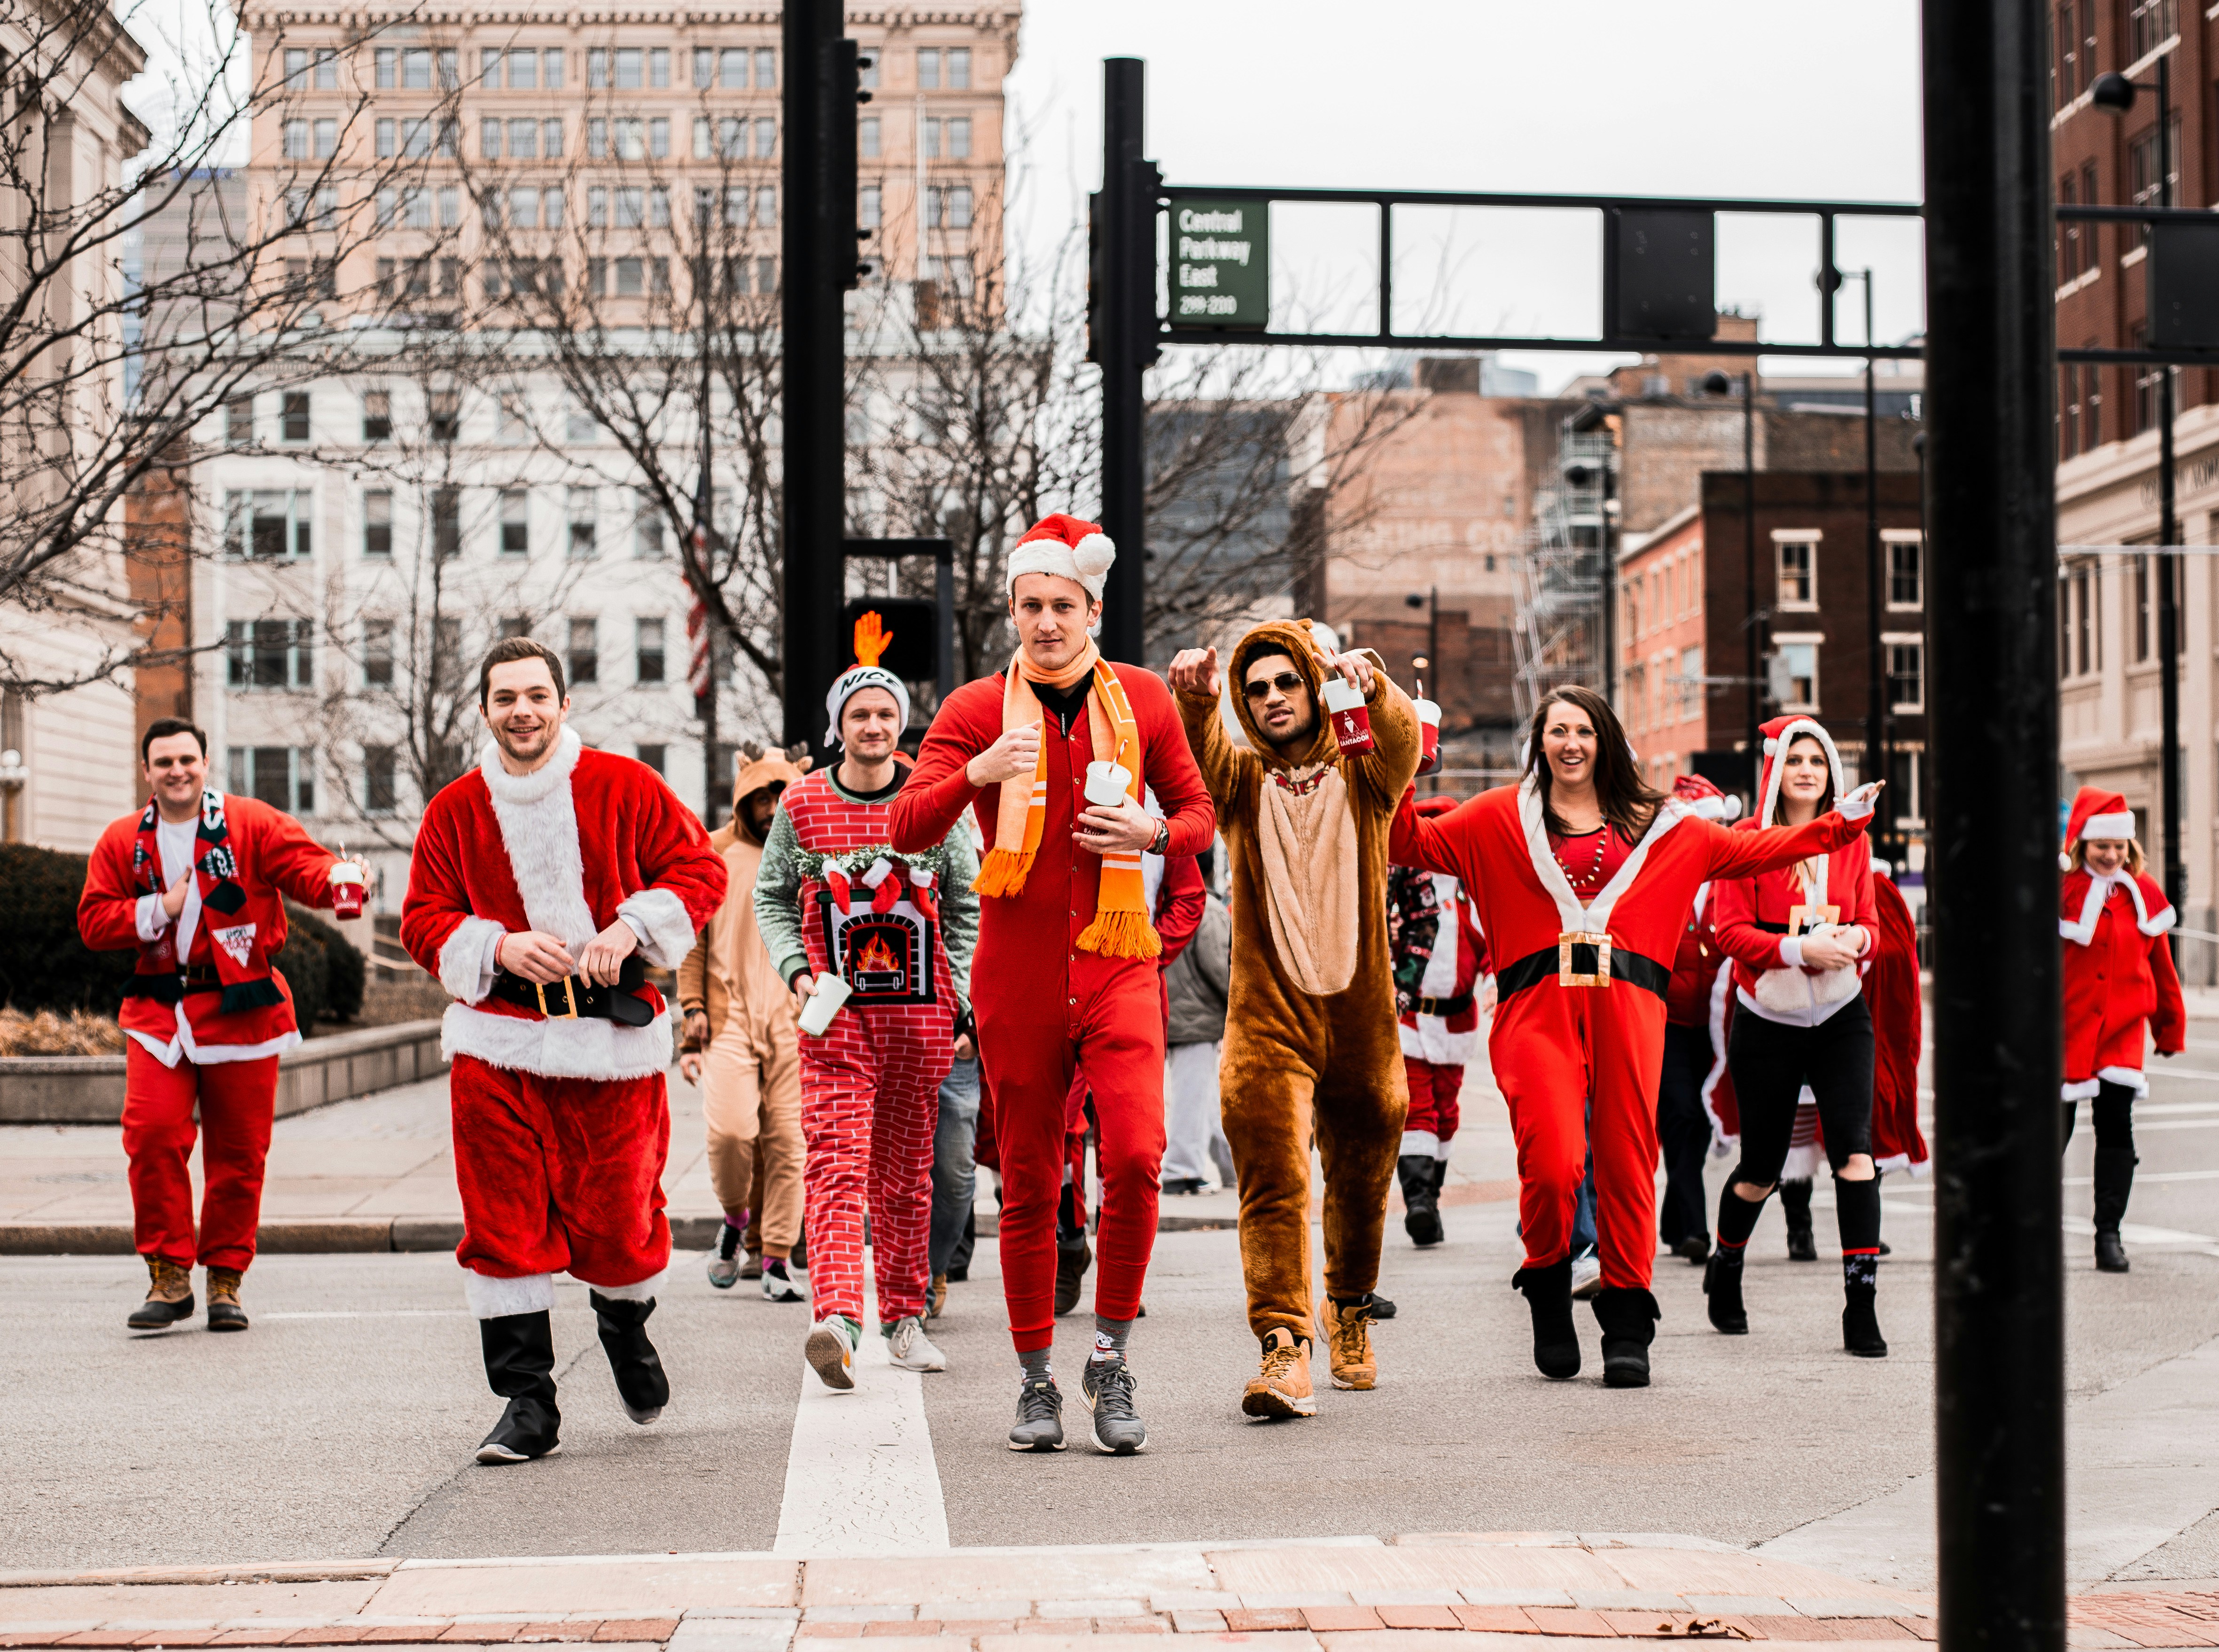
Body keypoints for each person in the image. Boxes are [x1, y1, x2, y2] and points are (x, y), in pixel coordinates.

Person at [1391, 686, 1880, 1387]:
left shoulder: (1661, 825)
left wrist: (1835, 828)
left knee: (1625, 1161)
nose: (1569, 743)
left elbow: (1749, 849)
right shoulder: (1497, 817)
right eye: (1556, 731)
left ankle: (1626, 1317)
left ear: (1605, 743)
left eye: (1583, 732)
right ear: (1539, 743)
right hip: (1537, 1010)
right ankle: (1547, 1288)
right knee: (1554, 1161)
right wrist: (1406, 758)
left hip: (1629, 1009)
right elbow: (1401, 839)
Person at [890, 512, 1214, 1456]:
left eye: (1061, 606)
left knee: (1141, 1158)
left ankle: (1108, 1360)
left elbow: (1197, 813)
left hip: (1119, 963)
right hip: (1017, 973)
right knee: (1029, 1184)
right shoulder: (971, 711)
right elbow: (906, 825)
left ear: (1092, 610)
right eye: (1029, 606)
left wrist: (1154, 836)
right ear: (1013, 611)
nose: (1044, 623)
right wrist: (974, 775)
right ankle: (1035, 1382)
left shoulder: (1145, 701)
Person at [400, 638, 727, 1464]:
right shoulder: (454, 811)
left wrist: (630, 924)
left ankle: (626, 1330)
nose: (523, 711)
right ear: (483, 710)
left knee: (619, 1225)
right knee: (502, 1225)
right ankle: (527, 1403)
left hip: (609, 1049)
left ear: (563, 704)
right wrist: (496, 947)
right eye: (506, 697)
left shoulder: (625, 785)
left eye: (537, 695)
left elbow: (699, 872)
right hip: (496, 1047)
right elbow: (421, 918)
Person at [1168, 621, 1420, 1416]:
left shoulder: (1366, 776)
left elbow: (1403, 742)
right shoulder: (1242, 783)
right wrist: (1196, 700)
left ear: (1312, 687)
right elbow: (1202, 754)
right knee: (1272, 1176)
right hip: (1266, 1019)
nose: (1272, 698)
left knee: (1362, 1166)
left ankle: (1348, 1305)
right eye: (1256, 690)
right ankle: (1284, 1346)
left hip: (1359, 1019)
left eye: (1285, 682)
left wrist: (1373, 688)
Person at [76, 717, 359, 1333]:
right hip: (158, 1009)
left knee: (238, 1154)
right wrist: (162, 908)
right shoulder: (124, 838)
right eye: (163, 762)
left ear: (205, 764)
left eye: (187, 759)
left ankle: (225, 1279)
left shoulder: (251, 822)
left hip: (242, 1006)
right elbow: (95, 921)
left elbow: (306, 869)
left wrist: (340, 876)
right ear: (146, 771)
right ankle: (168, 1274)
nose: (176, 771)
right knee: (151, 1136)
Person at [754, 652, 979, 1387]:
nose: (874, 726)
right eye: (860, 715)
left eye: (886, 713)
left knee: (908, 1178)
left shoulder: (938, 802)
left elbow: (967, 910)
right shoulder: (800, 806)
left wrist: (962, 1000)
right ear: (838, 727)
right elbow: (771, 898)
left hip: (919, 1023)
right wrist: (795, 970)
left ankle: (905, 1319)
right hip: (835, 1023)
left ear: (901, 723)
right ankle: (838, 1320)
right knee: (834, 1165)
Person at [1706, 717, 1887, 1356]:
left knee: (1854, 1157)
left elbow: (1870, 921)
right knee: (1760, 1169)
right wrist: (1794, 947)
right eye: (1794, 759)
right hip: (1768, 1018)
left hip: (1841, 1012)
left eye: (1817, 759)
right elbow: (1726, 934)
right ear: (1773, 769)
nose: (1806, 770)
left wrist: (1857, 940)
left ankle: (1859, 1306)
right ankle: (1724, 1269)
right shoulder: (1743, 841)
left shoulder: (1852, 841)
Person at [678, 742, 810, 1301]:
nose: (774, 807)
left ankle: (777, 1258)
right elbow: (691, 941)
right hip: (728, 1019)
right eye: (762, 796)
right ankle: (735, 1223)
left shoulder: (812, 855)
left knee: (788, 1143)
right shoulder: (712, 853)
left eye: (784, 794)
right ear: (745, 799)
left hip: (797, 1023)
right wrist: (692, 1011)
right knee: (732, 1132)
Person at [2059, 786, 2184, 1273]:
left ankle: (2108, 1234)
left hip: (2121, 1032)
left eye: (2118, 847)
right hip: (2064, 1032)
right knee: (2053, 1132)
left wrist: (2169, 1027)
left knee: (2115, 1131)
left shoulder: (2144, 894)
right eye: (2100, 847)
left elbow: (2162, 967)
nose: (2110, 856)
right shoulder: (2060, 893)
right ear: (2082, 846)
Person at [1388, 794, 1489, 1248]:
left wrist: (1494, 984)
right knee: (1417, 1108)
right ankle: (1419, 1204)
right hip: (1408, 1018)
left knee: (1446, 1113)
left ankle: (1432, 1195)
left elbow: (1494, 947)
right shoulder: (1405, 891)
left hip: (1456, 1019)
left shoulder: (1475, 892)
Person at [1656, 773, 1741, 1265]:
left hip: (1715, 1025)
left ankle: (1675, 1220)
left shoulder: (1727, 884)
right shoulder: (1660, 877)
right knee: (1681, 1115)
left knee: (1701, 1123)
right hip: (1665, 1020)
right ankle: (1694, 1230)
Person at [1162, 850, 1233, 1196]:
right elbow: (1221, 969)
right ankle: (1181, 1170)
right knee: (1195, 1096)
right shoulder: (1208, 910)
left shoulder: (1165, 904)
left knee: (1204, 1097)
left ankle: (1232, 1168)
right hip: (1199, 1017)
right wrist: (1239, 1006)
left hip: (1170, 1011)